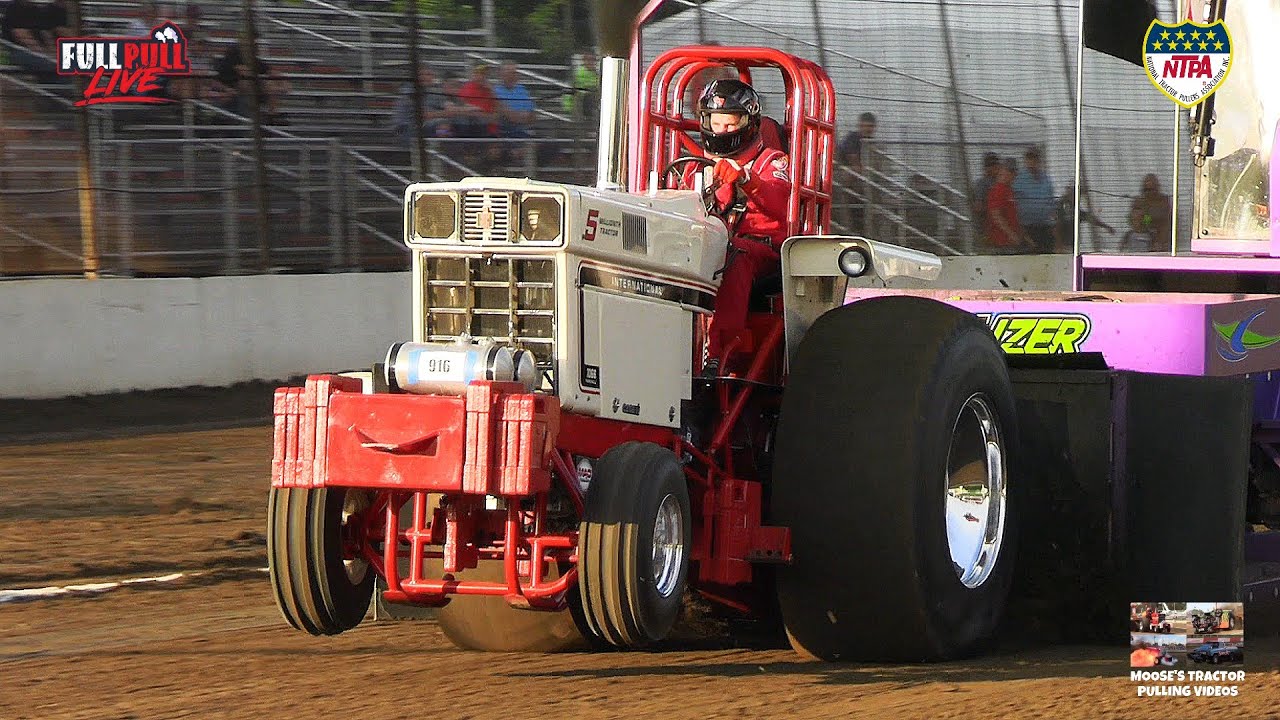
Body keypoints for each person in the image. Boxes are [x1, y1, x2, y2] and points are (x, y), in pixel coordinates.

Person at [676, 79, 791, 378]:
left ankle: (722, 351)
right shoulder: (695, 167)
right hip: (709, 242)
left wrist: (745, 179)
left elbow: (779, 202)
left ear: (748, 123)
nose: (722, 131)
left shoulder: (772, 161)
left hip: (762, 250)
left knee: (735, 253)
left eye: (730, 124)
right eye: (716, 123)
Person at [1012, 146, 1056, 252]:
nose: (1032, 162)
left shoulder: (1046, 179)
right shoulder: (1019, 180)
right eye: (1029, 159)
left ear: (1038, 160)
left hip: (1045, 226)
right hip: (1027, 227)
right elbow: (1014, 203)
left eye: (1034, 159)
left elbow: (1051, 202)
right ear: (1026, 161)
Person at [986, 161, 1030, 253]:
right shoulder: (998, 190)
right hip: (1001, 242)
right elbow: (996, 215)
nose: (1013, 175)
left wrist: (1022, 235)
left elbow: (1013, 215)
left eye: (1014, 172)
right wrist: (1011, 235)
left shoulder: (1008, 190)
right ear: (1002, 172)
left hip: (1010, 241)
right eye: (1010, 171)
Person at [1123, 173, 1173, 253]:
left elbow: (1168, 222)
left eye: (1151, 189)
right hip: (1142, 237)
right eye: (1146, 190)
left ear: (1157, 188)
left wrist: (1160, 241)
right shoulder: (1139, 202)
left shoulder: (1164, 201)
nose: (1149, 192)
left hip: (1162, 240)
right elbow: (1135, 220)